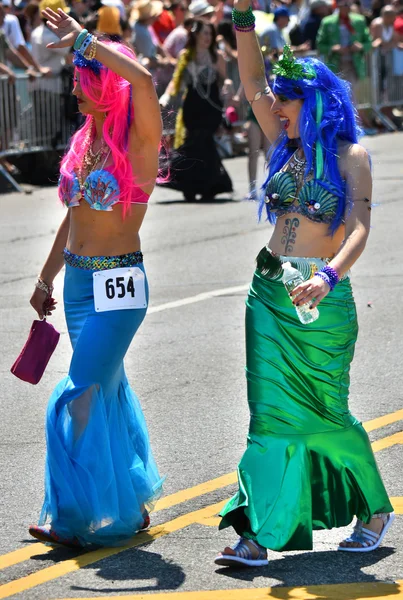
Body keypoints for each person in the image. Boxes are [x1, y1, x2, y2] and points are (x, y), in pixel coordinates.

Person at [214, 0, 394, 568]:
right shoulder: (285, 144)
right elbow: (249, 79)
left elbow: (361, 227)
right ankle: (259, 532)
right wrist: (242, 16)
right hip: (268, 293)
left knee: (327, 412)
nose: (278, 109)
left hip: (323, 299)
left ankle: (375, 510)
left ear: (314, 101)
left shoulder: (352, 157)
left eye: (287, 100)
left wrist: (330, 274)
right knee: (266, 414)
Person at [27, 6, 163, 548]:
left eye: (84, 83)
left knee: (77, 394)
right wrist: (45, 279)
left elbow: (145, 78)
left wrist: (86, 39)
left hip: (121, 286)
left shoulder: (139, 144)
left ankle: (70, 517)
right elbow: (73, 218)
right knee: (105, 388)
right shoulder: (86, 142)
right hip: (81, 285)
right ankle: (130, 496)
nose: (76, 93)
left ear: (107, 86)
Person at [159, 18, 233, 201]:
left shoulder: (217, 56)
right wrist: (165, 97)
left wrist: (228, 86)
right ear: (196, 34)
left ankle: (202, 184)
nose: (208, 37)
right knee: (195, 144)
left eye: (210, 33)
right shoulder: (186, 55)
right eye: (204, 33)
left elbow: (225, 79)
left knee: (204, 141)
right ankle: (199, 185)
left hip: (211, 107)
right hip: (193, 106)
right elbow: (176, 82)